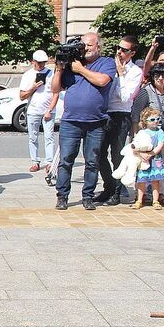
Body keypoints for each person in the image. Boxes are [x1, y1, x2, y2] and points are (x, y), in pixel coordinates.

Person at [52, 32, 117, 211]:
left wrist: (80, 69)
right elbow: (55, 88)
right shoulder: (70, 64)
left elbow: (102, 81)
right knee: (65, 160)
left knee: (92, 161)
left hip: (96, 121)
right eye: (83, 45)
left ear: (98, 47)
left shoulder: (106, 63)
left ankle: (87, 196)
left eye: (89, 45)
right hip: (70, 121)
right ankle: (62, 196)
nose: (85, 48)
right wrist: (59, 69)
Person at [94, 35, 142, 205]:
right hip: (105, 113)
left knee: (117, 155)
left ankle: (116, 191)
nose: (119, 52)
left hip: (121, 115)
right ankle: (108, 187)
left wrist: (121, 76)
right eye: (118, 48)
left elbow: (125, 97)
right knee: (97, 152)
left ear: (132, 53)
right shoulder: (109, 66)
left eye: (124, 50)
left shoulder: (135, 71)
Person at [19, 50, 57, 173]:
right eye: (39, 63)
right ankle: (35, 161)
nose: (41, 65)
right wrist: (33, 87)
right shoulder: (28, 75)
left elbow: (56, 93)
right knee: (33, 137)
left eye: (43, 63)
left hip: (48, 110)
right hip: (33, 110)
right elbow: (22, 96)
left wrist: (50, 110)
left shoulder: (51, 73)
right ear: (33, 61)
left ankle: (49, 162)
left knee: (49, 137)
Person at [130, 107, 164, 210]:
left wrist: (151, 154)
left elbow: (160, 145)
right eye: (152, 119)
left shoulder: (159, 132)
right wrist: (141, 154)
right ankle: (139, 200)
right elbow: (135, 146)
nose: (156, 121)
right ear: (145, 121)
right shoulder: (142, 133)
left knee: (155, 181)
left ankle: (155, 200)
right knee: (141, 181)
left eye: (157, 119)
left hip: (155, 159)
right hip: (143, 160)